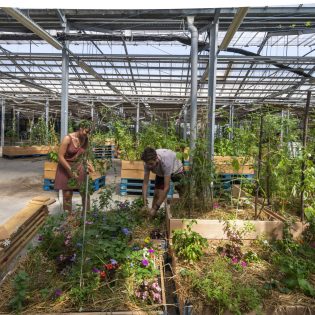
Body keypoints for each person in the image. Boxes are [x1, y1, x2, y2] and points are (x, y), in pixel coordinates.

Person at [54, 120, 94, 213]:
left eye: (89, 133)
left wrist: (89, 163)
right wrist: (70, 170)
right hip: (65, 167)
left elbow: (85, 154)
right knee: (67, 194)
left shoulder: (85, 139)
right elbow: (60, 156)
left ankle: (86, 217)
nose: (87, 134)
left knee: (85, 192)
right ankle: (68, 220)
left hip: (79, 167)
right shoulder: (68, 138)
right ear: (81, 128)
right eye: (86, 132)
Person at [141, 147, 184, 217]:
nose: (149, 166)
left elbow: (166, 188)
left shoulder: (166, 162)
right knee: (157, 194)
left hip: (176, 170)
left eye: (151, 164)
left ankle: (182, 214)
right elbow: (145, 183)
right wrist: (145, 204)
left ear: (156, 159)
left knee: (183, 193)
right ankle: (152, 217)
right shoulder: (147, 163)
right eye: (147, 164)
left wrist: (155, 208)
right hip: (161, 171)